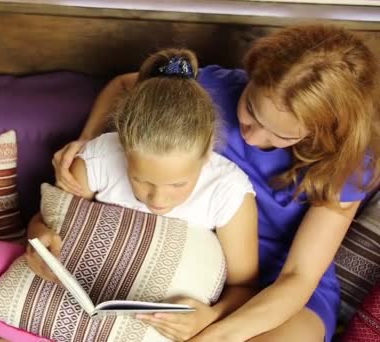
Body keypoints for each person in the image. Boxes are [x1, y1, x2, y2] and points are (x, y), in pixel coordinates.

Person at [53, 24, 380, 341]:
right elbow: (125, 87)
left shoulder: (347, 164)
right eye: (251, 109)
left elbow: (298, 278)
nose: (253, 136)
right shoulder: (213, 89)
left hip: (283, 292)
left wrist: (216, 326)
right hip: (194, 261)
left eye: (283, 135)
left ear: (321, 131)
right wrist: (86, 140)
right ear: (252, 75)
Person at [0, 49, 259, 342]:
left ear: (206, 155)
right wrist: (38, 242)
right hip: (70, 296)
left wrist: (210, 317)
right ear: (123, 146)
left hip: (144, 329)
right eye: (141, 180)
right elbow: (43, 223)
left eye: (178, 185)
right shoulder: (97, 160)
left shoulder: (229, 193)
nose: (158, 200)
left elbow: (244, 288)